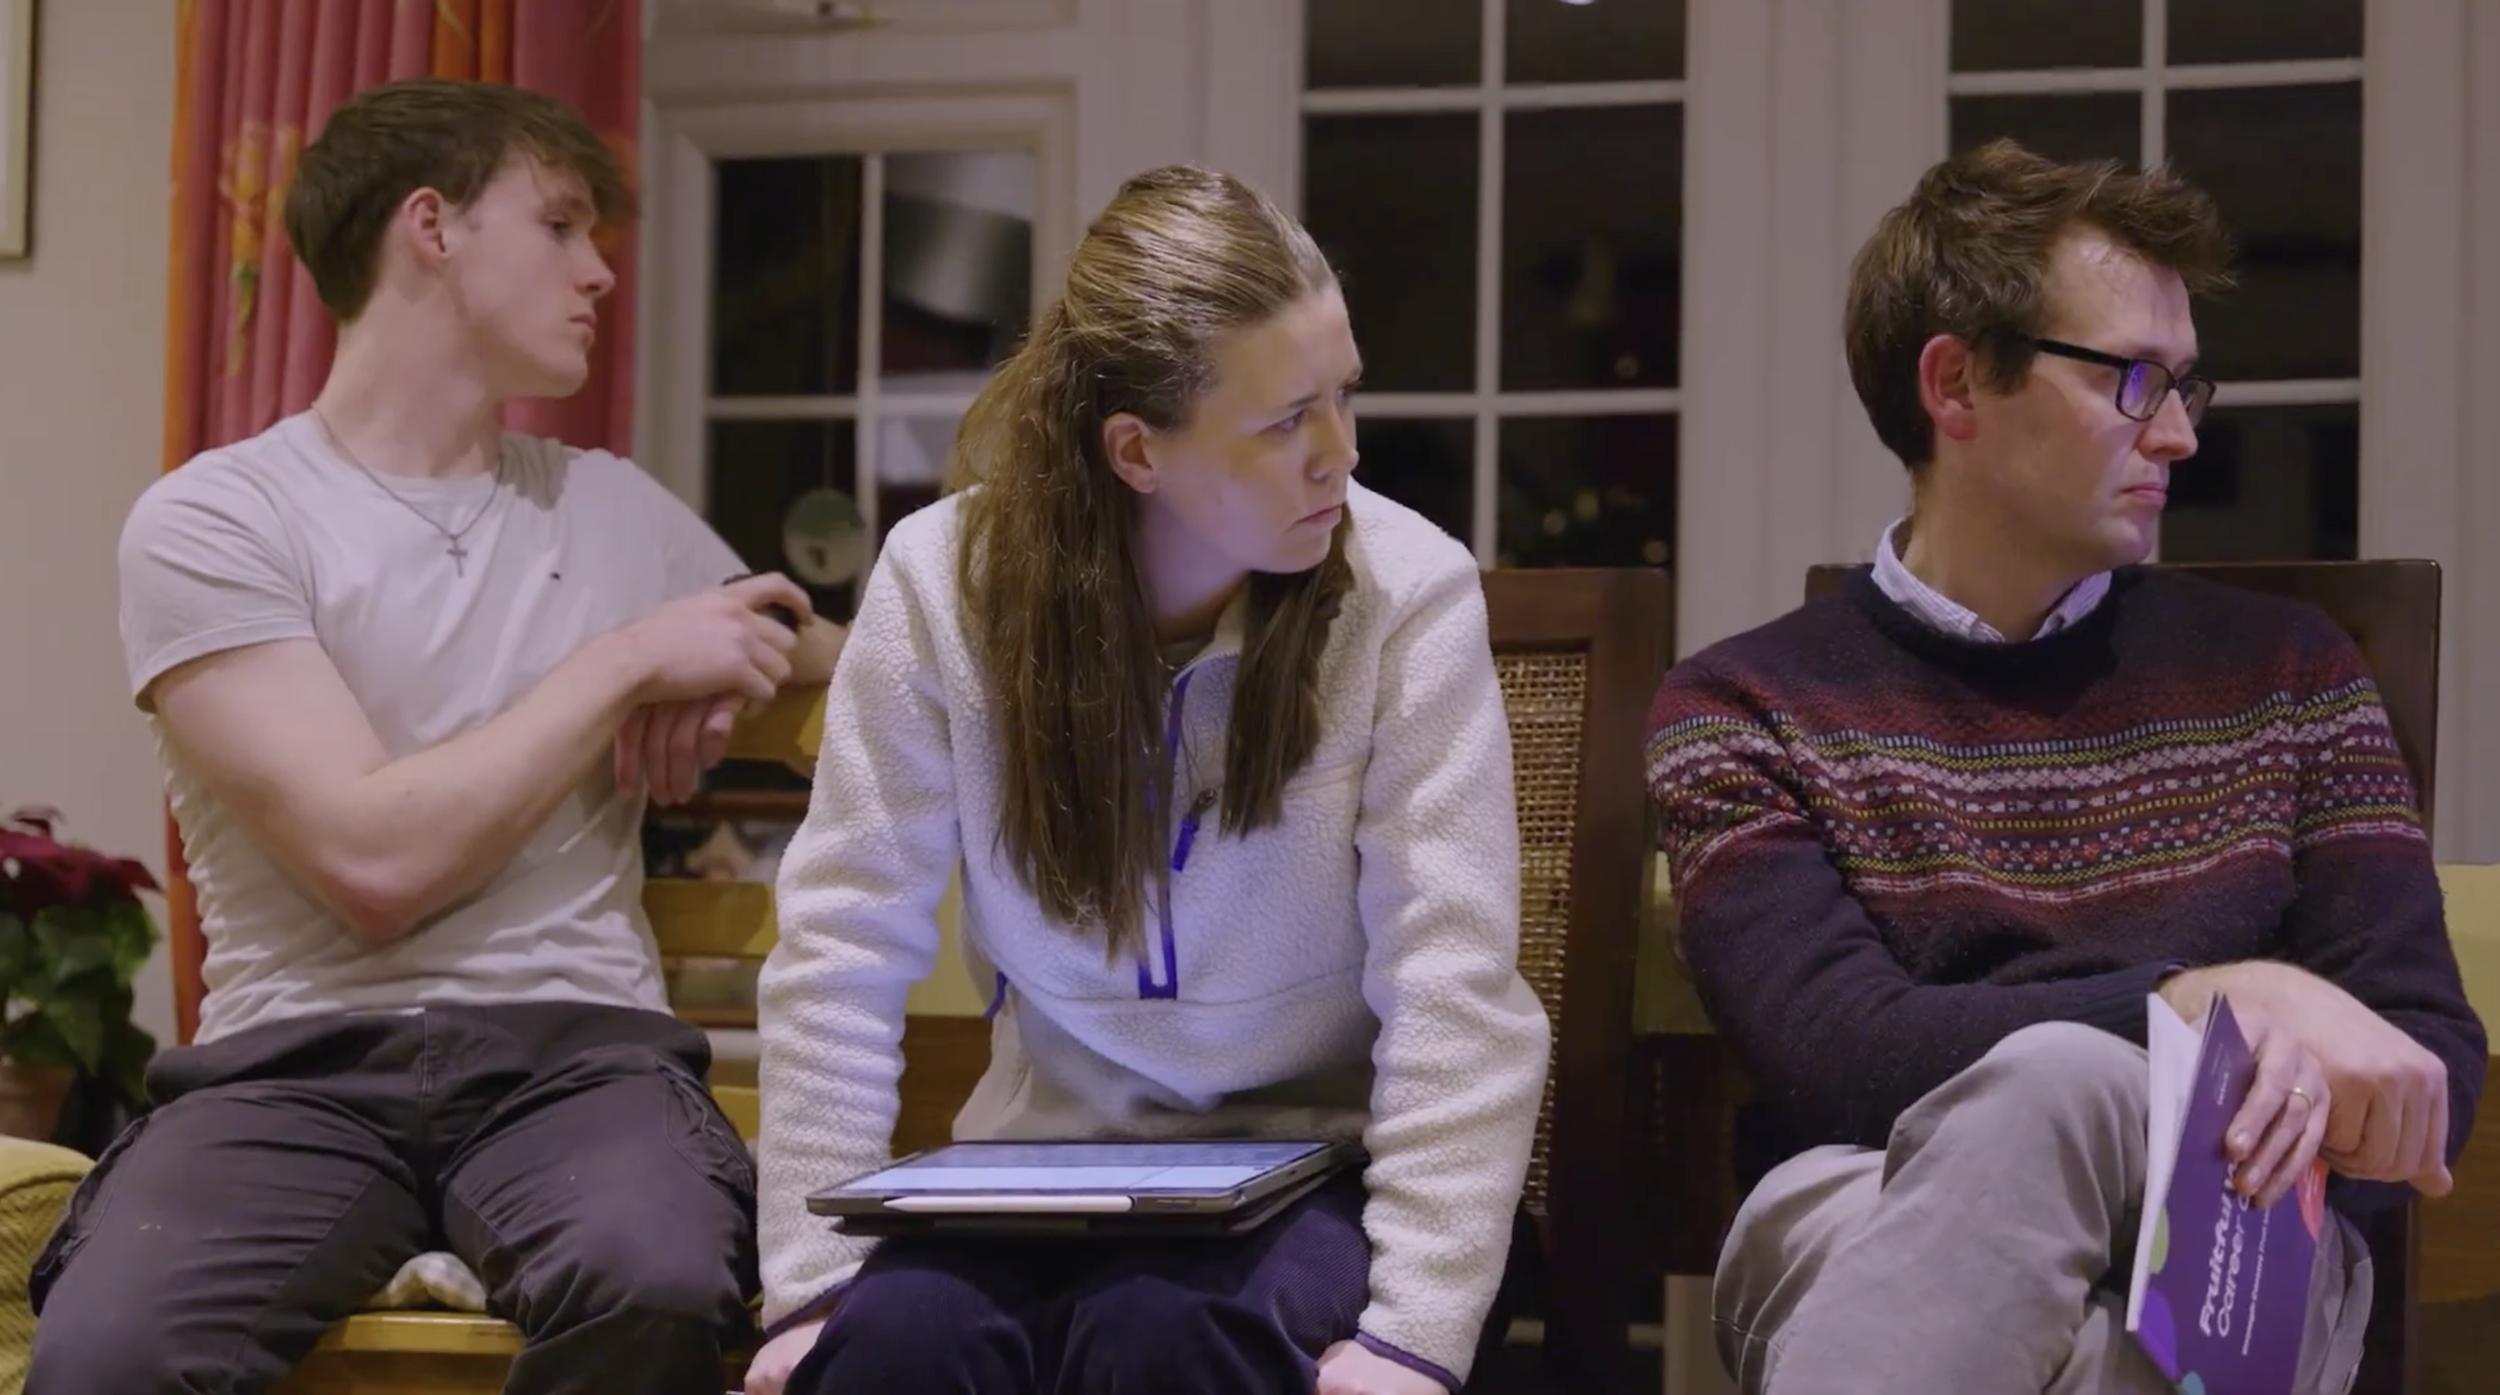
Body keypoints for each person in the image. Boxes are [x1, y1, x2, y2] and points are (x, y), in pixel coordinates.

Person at [30, 79, 844, 1394]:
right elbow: (374, 863)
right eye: (563, 224)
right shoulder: (217, 519)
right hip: (288, 1073)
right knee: (112, 1351)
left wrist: (753, 630)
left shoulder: (612, 508)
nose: (598, 272)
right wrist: (632, 659)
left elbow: (836, 660)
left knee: (665, 1283)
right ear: (432, 227)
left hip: (576, 1060)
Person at [1645, 139, 2486, 1395]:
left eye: (2190, 386)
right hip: (1874, 1199)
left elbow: (2422, 1072)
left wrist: (2166, 1059)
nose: (2182, 437)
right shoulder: (1742, 707)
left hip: (2235, 1220)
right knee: (2064, 1195)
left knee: (2069, 1132)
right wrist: (2205, 1005)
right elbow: (1839, 1056)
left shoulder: (2292, 674)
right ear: (1954, 383)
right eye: (2134, 381)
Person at [740, 165, 1551, 1395]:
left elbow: (1455, 988)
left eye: (1343, 397)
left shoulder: (1406, 592)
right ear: (1137, 452)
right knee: (898, 1346)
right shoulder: (937, 583)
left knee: (1164, 1335)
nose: (1339, 454)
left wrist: (1413, 1337)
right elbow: (841, 946)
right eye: (1285, 422)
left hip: (1309, 1165)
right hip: (1032, 1169)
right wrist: (808, 1288)